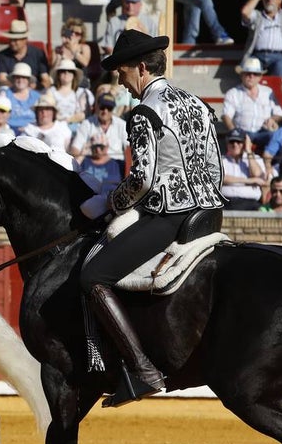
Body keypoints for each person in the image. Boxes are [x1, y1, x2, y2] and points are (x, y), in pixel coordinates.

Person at [83, 29, 224, 407]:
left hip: (169, 217)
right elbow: (215, 169)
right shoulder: (199, 104)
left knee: (93, 275)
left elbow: (143, 180)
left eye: (123, 72)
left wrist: (110, 202)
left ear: (142, 68)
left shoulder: (146, 111)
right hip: (209, 214)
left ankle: (143, 369)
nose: (120, 81)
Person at [221, 57, 282, 149]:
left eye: (255, 74)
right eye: (248, 73)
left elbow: (279, 113)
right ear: (242, 75)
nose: (251, 76)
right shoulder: (233, 93)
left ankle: (274, 162)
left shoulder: (268, 92)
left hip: (264, 132)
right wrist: (234, 133)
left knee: (278, 137)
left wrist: (272, 119)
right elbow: (226, 116)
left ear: (260, 77)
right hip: (243, 132)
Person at [70, 92, 127, 161]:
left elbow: (129, 150)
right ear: (97, 106)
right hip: (92, 163)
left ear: (113, 109)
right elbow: (75, 149)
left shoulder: (122, 125)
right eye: (102, 107)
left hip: (116, 165)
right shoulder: (87, 124)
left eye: (109, 108)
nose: (105, 111)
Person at [220, 130, 267, 210]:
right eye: (232, 142)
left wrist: (249, 150)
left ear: (245, 144)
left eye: (239, 142)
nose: (235, 144)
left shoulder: (255, 158)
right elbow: (221, 178)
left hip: (250, 203)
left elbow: (257, 175)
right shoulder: (221, 159)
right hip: (225, 203)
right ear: (227, 144)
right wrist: (250, 181)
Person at [0, 19, 50, 87]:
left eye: (15, 40)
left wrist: (36, 87)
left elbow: (46, 80)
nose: (12, 43)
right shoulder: (2, 56)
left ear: (25, 40)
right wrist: (20, 86)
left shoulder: (38, 54)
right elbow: (2, 80)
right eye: (11, 39)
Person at [51, 58, 91, 125]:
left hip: (74, 127)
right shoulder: (51, 91)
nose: (66, 73)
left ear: (74, 75)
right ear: (58, 74)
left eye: (70, 71)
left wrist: (68, 120)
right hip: (54, 126)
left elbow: (82, 115)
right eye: (63, 71)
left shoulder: (80, 92)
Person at [5, 62, 40, 132]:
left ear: (29, 80)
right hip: (9, 129)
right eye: (18, 77)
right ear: (13, 79)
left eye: (24, 77)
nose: (20, 80)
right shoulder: (5, 94)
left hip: (32, 129)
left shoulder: (37, 96)